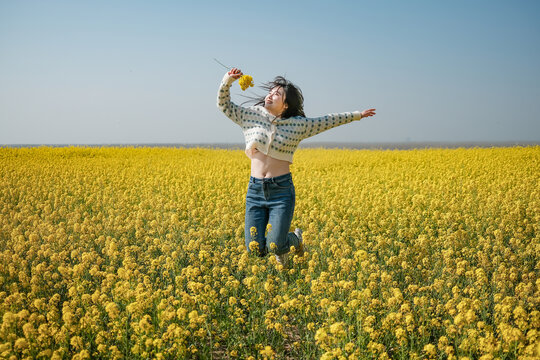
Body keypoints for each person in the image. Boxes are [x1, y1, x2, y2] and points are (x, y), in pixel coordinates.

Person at [217, 67, 376, 267]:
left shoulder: (299, 125)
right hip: (255, 190)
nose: (271, 95)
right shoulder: (250, 116)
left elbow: (327, 121)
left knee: (275, 244)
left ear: (285, 105)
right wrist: (228, 80)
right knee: (254, 249)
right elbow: (224, 105)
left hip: (281, 191)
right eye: (271, 92)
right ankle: (284, 246)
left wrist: (357, 115)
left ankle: (295, 240)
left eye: (277, 94)